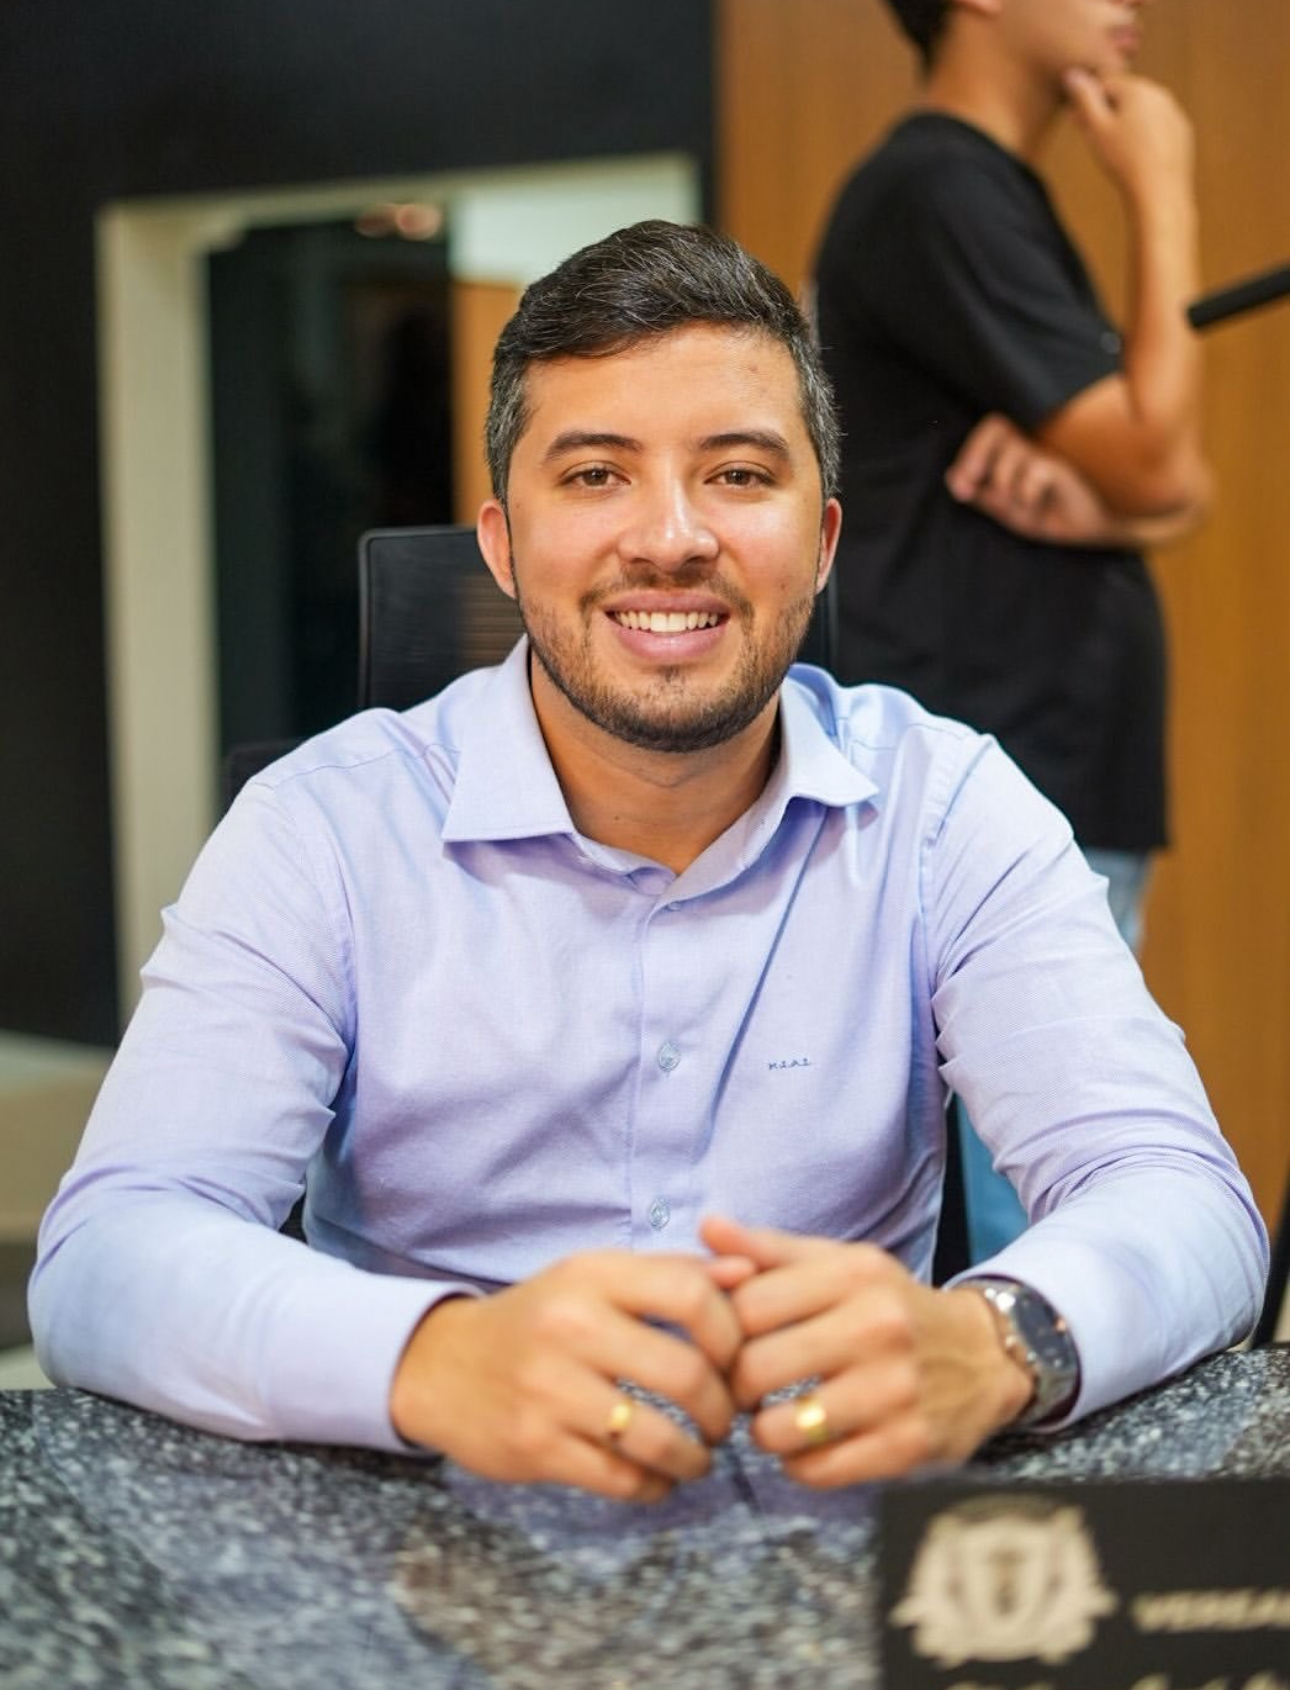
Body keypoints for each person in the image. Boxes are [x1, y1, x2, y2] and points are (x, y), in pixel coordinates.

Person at [31, 221, 1263, 1505]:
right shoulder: (321, 830)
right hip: (419, 1539)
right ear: (503, 544)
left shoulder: (946, 808)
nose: (671, 537)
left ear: (822, 539)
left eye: (737, 473)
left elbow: (1179, 1193)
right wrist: (431, 1359)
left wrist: (995, 1340)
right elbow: (110, 1252)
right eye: (596, 474)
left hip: (834, 1529)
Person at [813, 0, 1212, 1255]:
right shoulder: (941, 191)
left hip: (1045, 754)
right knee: (1049, 1220)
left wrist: (1120, 503)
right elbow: (1160, 461)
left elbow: (1177, 483)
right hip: (1008, 770)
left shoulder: (986, 193)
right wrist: (1162, 187)